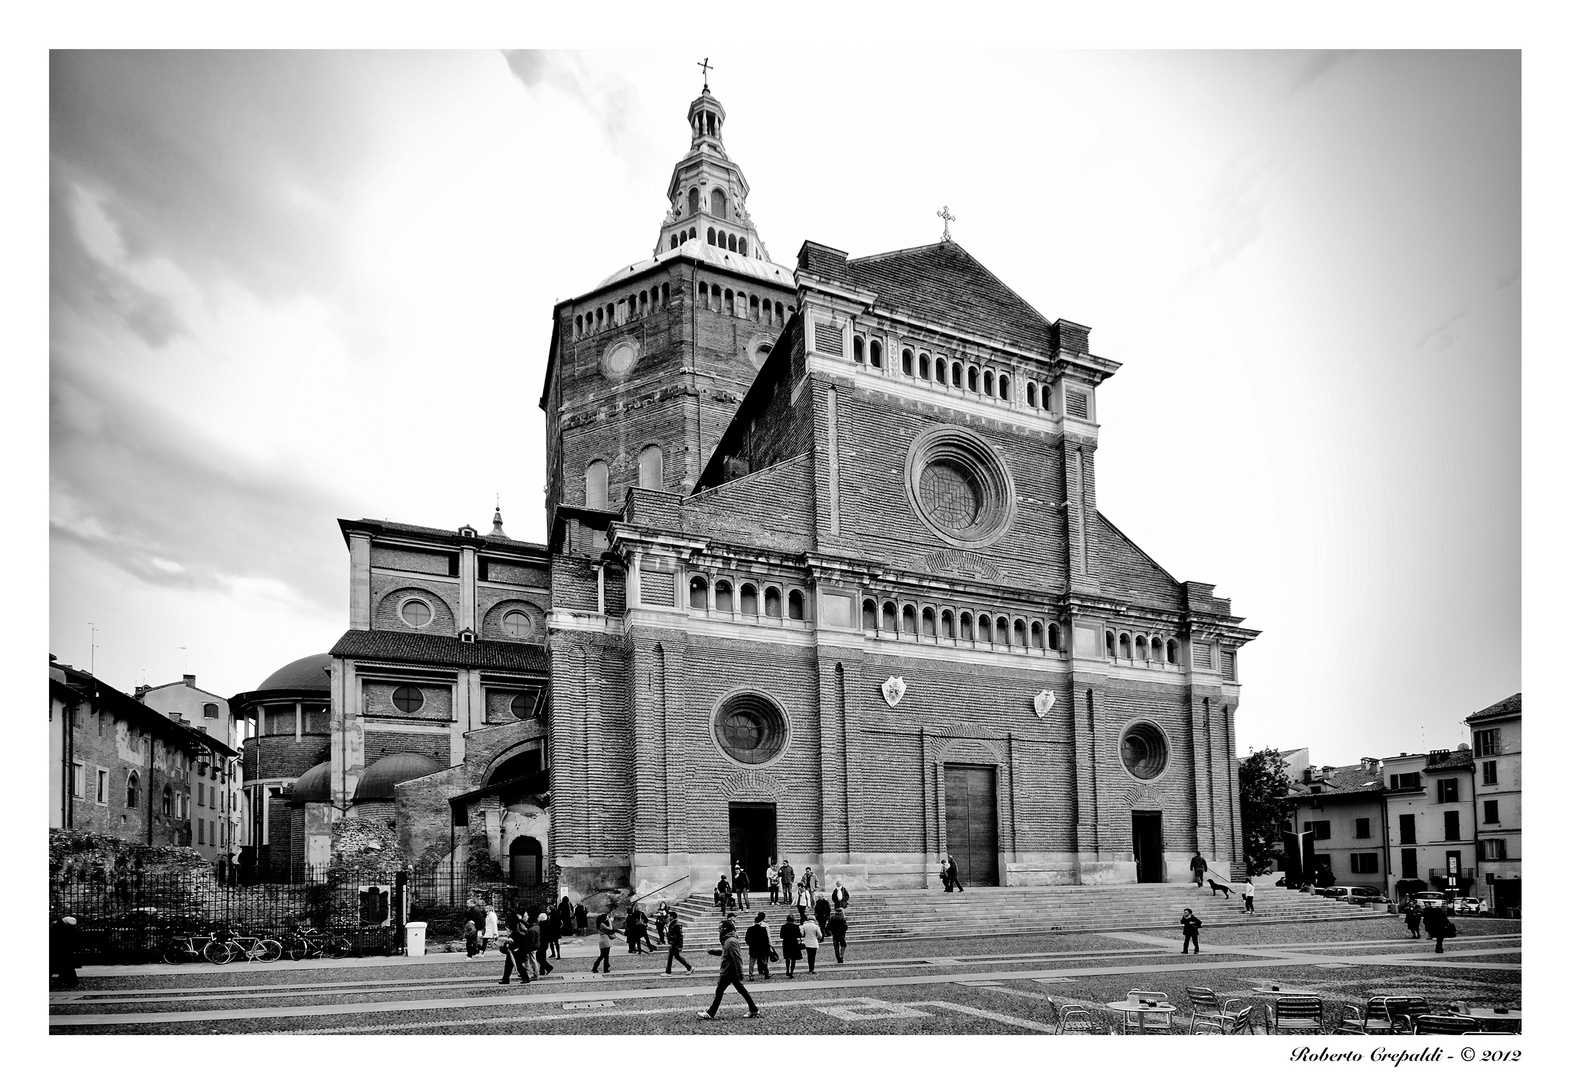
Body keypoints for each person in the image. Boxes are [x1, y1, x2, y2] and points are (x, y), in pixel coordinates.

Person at [700, 919, 758, 1020]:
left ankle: (710, 1013)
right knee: (741, 990)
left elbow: (737, 958)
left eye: (720, 928)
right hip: (729, 970)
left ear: (725, 929)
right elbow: (725, 952)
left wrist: (740, 973)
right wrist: (713, 952)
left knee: (720, 991)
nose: (718, 930)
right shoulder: (728, 940)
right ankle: (753, 1009)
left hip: (729, 971)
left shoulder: (731, 941)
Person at [498, 912, 530, 985]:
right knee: (510, 966)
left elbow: (519, 941)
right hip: (514, 951)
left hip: (516, 951)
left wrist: (510, 943)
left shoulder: (516, 932)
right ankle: (506, 979)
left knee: (516, 965)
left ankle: (524, 978)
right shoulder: (517, 931)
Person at [49, 916, 80, 989]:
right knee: (68, 966)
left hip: (56, 951)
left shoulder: (56, 928)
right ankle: (70, 981)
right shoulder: (71, 931)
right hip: (66, 952)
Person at [663, 910, 693, 975]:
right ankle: (689, 967)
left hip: (675, 943)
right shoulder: (672, 924)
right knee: (677, 956)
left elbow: (680, 936)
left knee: (670, 957)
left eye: (668, 916)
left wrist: (680, 946)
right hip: (674, 942)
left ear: (672, 917)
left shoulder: (676, 924)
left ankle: (668, 972)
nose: (667, 917)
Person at [745, 911, 773, 979]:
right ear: (760, 922)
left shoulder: (750, 929)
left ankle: (751, 975)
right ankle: (766, 973)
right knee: (764, 962)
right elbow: (766, 939)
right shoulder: (763, 929)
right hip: (761, 948)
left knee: (752, 962)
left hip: (753, 947)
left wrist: (750, 944)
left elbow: (747, 939)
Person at [779, 912, 802, 977]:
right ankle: (791, 972)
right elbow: (799, 935)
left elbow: (781, 936)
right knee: (793, 959)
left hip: (786, 942)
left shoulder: (783, 927)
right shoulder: (796, 927)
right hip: (794, 943)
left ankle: (787, 970)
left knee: (787, 958)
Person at [800, 908, 822, 973]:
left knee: (809, 956)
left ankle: (810, 968)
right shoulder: (816, 926)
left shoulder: (804, 926)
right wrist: (817, 937)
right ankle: (812, 968)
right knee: (813, 956)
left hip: (807, 942)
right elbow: (820, 935)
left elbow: (802, 934)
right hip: (814, 942)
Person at [534, 911, 555, 976]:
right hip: (545, 942)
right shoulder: (546, 924)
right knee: (542, 957)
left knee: (539, 957)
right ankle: (542, 971)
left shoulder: (542, 925)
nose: (537, 918)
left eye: (539, 917)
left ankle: (548, 967)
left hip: (542, 942)